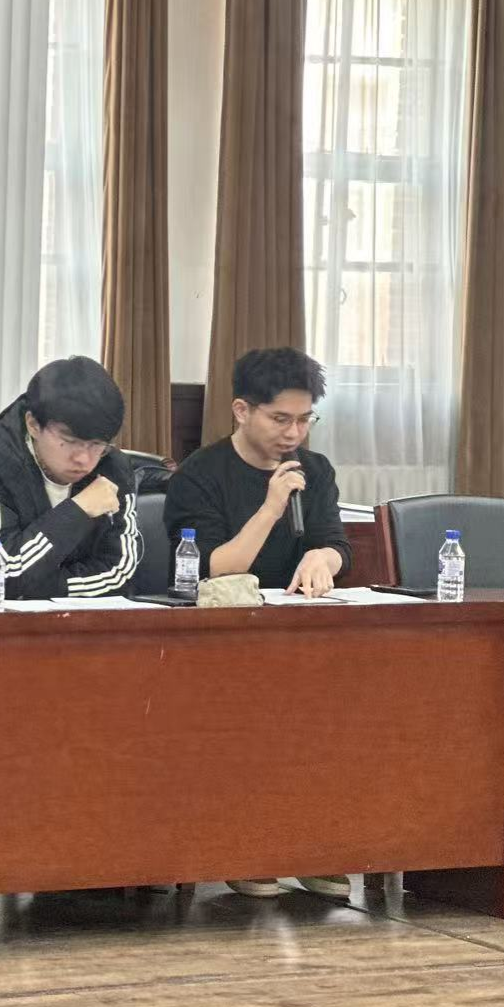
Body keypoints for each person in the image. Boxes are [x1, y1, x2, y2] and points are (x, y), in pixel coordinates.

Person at [164, 345, 351, 901]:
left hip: (295, 634)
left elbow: (336, 543)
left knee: (336, 713)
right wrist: (271, 507)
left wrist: (324, 559)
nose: (294, 434)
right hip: (221, 640)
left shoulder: (315, 471)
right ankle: (246, 848)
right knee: (246, 718)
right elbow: (212, 567)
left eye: (305, 419)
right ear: (242, 411)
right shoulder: (200, 474)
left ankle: (314, 847)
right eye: (280, 419)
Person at [0, 356, 141, 600]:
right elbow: (1, 575)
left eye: (97, 444)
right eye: (70, 441)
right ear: (33, 425)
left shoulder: (113, 468)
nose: (84, 459)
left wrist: (42, 588)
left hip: (84, 619)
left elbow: (120, 573)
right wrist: (77, 511)